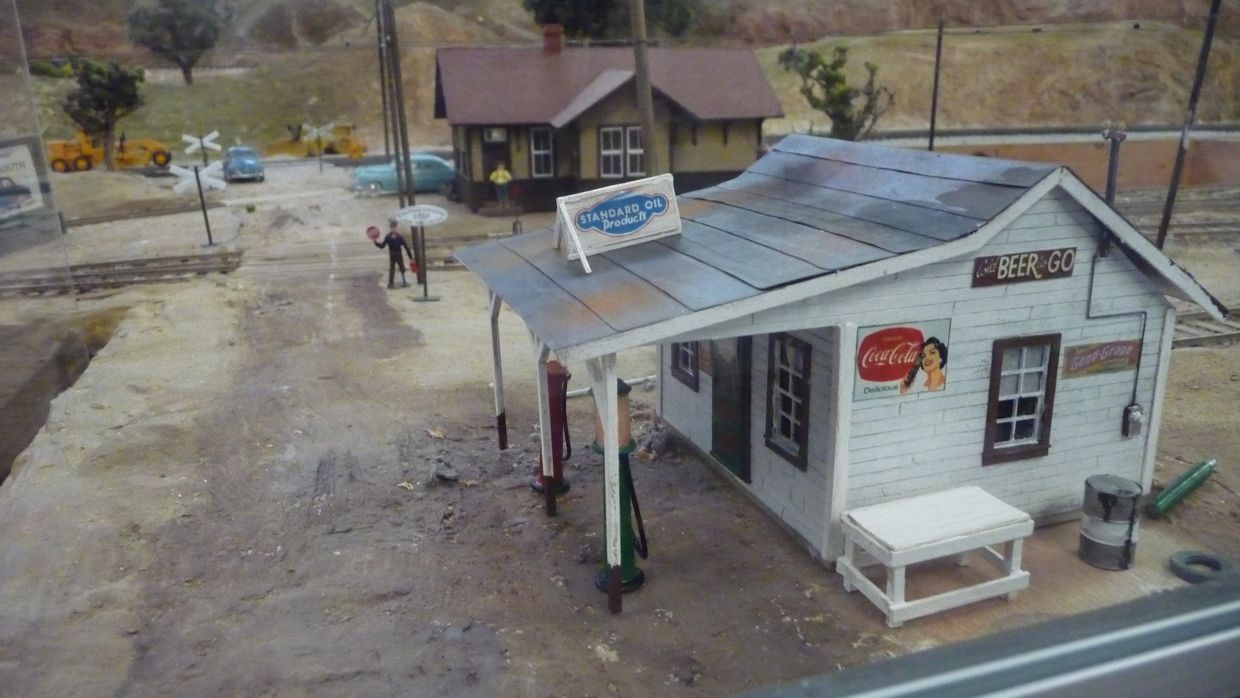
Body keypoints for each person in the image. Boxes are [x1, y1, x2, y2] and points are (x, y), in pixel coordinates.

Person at [374, 218, 414, 288]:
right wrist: (376, 242)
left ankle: (404, 281)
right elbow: (382, 246)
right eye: (392, 228)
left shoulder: (399, 237)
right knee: (392, 269)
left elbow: (406, 247)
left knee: (402, 268)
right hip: (392, 254)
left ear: (396, 228)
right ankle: (391, 283)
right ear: (390, 228)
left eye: (394, 228)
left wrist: (410, 257)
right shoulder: (388, 237)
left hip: (399, 254)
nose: (393, 229)